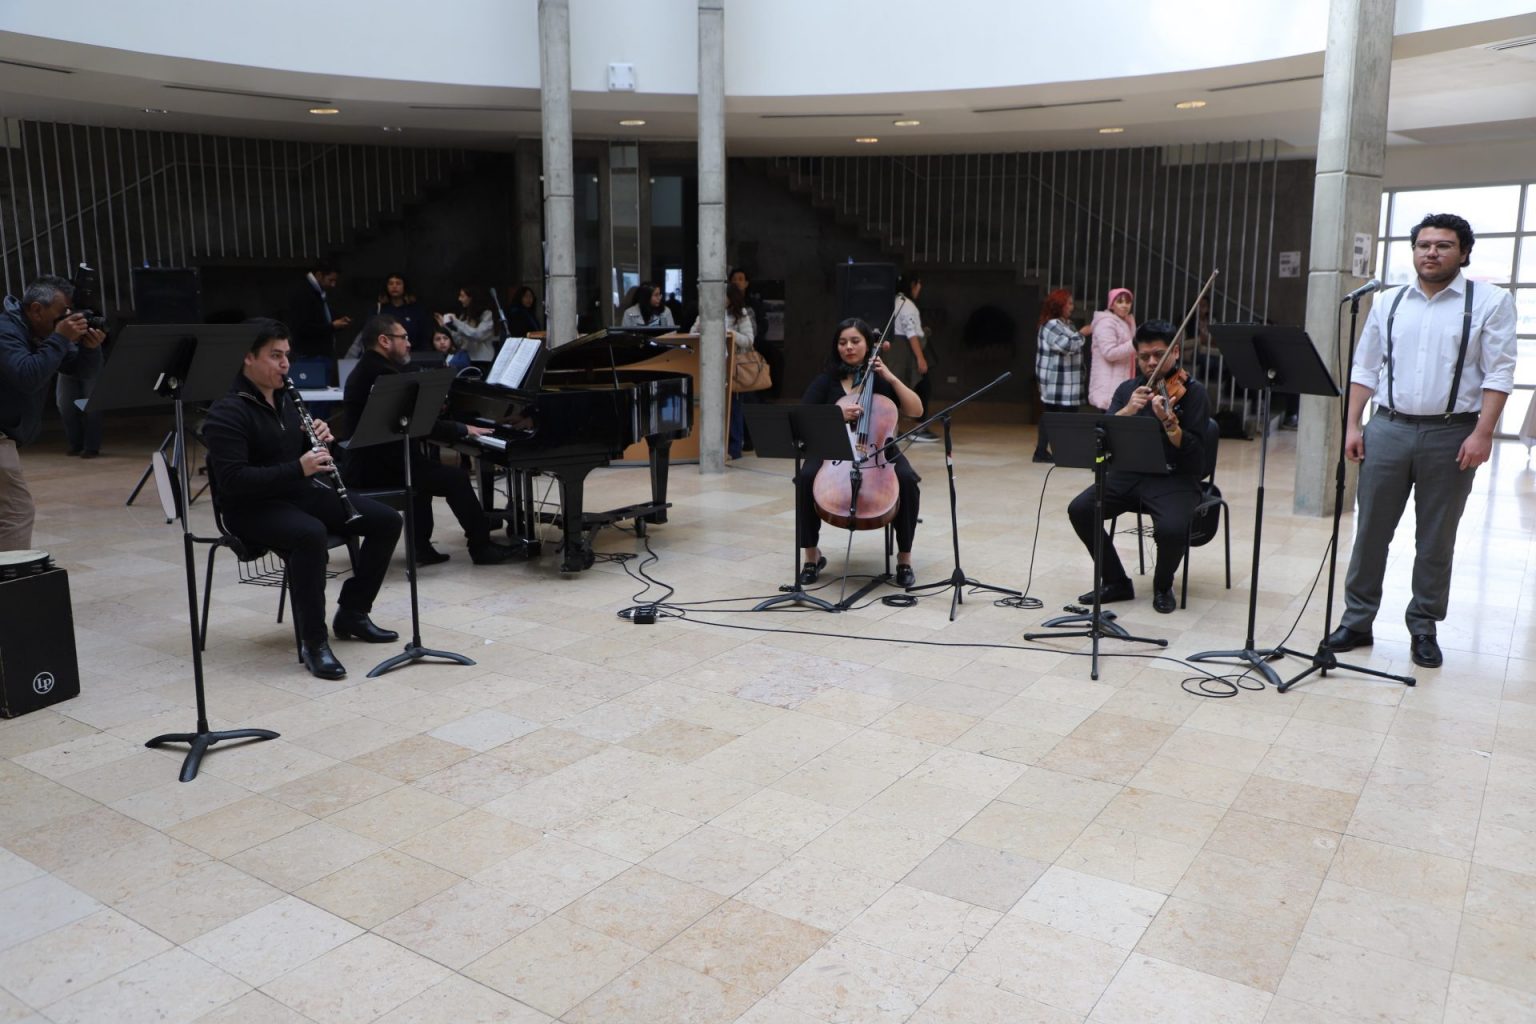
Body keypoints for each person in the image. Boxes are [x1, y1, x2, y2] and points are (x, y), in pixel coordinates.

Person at [1323, 213, 1517, 669]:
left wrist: (1483, 433)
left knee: (1436, 537)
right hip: (1388, 428)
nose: (1431, 252)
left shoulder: (1490, 301)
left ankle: (1424, 626)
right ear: (1413, 251)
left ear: (1463, 253)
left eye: (1443, 245)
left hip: (1452, 432)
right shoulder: (1388, 302)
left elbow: (1500, 371)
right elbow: (1365, 367)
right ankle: (1357, 620)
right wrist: (1353, 425)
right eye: (1424, 245)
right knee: (1371, 531)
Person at [202, 319, 402, 680]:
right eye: (275, 356)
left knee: (387, 520)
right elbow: (233, 481)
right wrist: (298, 467)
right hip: (250, 508)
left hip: (297, 493)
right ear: (248, 357)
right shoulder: (227, 411)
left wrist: (323, 443)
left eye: (287, 355)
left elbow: (313, 461)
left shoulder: (287, 399)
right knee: (310, 535)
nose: (285, 364)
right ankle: (314, 642)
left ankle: (353, 612)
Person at [342, 315, 517, 567]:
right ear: (384, 340)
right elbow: (417, 423)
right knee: (455, 479)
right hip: (375, 468)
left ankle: (421, 548)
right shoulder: (381, 374)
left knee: (424, 474)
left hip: (377, 461)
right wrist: (462, 428)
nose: (409, 343)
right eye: (403, 337)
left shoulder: (369, 368)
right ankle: (481, 547)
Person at [1067, 319, 1210, 614]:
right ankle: (1116, 581)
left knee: (1171, 529)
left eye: (1159, 354)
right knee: (1080, 509)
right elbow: (1103, 434)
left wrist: (1169, 422)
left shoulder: (1193, 393)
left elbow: (1196, 455)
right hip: (1129, 474)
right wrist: (1128, 410)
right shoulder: (1128, 390)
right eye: (1144, 357)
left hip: (1174, 477)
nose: (1151, 362)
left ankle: (1163, 585)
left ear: (1175, 352)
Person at [796, 318, 924, 588]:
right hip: (833, 448)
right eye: (842, 342)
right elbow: (803, 416)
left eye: (855, 341)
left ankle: (904, 559)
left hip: (879, 449)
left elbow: (916, 410)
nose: (848, 347)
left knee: (907, 479)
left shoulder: (881, 380)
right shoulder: (826, 380)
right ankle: (811, 556)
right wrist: (836, 414)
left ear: (868, 345)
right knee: (806, 477)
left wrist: (890, 376)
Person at [0, 276, 105, 549]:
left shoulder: (39, 332)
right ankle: (13, 573)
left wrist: (89, 349)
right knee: (16, 513)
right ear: (36, 309)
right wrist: (60, 338)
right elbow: (27, 376)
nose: (66, 319)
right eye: (61, 314)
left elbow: (80, 370)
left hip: (7, 434)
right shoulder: (5, 331)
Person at [689, 283, 756, 459]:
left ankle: (734, 449)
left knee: (734, 407)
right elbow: (692, 333)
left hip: (732, 366)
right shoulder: (706, 312)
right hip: (709, 366)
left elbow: (749, 340)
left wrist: (729, 333)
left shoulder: (741, 314)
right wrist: (700, 329)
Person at [1034, 288, 1091, 463]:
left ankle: (1060, 452)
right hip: (1056, 382)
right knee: (1055, 417)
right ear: (1059, 305)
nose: (1072, 307)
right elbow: (1066, 346)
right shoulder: (1051, 325)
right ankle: (1043, 452)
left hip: (1067, 382)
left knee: (1063, 417)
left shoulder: (1066, 324)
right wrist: (1082, 333)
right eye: (1069, 303)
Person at [889, 275, 938, 442]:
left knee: (896, 388)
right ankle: (918, 428)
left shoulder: (894, 301)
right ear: (912, 285)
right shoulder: (907, 304)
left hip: (895, 352)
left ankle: (894, 428)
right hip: (905, 353)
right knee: (922, 386)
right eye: (918, 285)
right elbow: (911, 333)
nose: (919, 289)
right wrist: (920, 358)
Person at [287, 261, 352, 359]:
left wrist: (336, 322)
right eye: (330, 280)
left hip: (319, 353)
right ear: (319, 275)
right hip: (309, 354)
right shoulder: (304, 293)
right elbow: (303, 327)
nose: (333, 285)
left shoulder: (318, 293)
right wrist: (332, 326)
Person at [1087, 287, 1136, 412]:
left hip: (1119, 381)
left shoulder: (1127, 322)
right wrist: (1134, 343)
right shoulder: (1106, 323)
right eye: (1120, 301)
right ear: (1111, 304)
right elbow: (1109, 353)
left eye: (1128, 302)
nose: (1124, 305)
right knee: (1109, 418)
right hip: (1108, 385)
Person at [437, 286, 497, 362]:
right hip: (466, 357)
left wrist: (456, 321)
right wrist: (445, 327)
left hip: (481, 360)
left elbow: (478, 335)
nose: (459, 299)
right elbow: (459, 341)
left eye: (462, 296)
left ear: (471, 298)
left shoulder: (487, 315)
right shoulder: (464, 316)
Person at [376, 273, 430, 350]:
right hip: (386, 353)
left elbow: (424, 335)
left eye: (398, 283)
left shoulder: (416, 310)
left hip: (414, 353)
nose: (394, 286)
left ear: (404, 286)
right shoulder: (379, 309)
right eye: (391, 283)